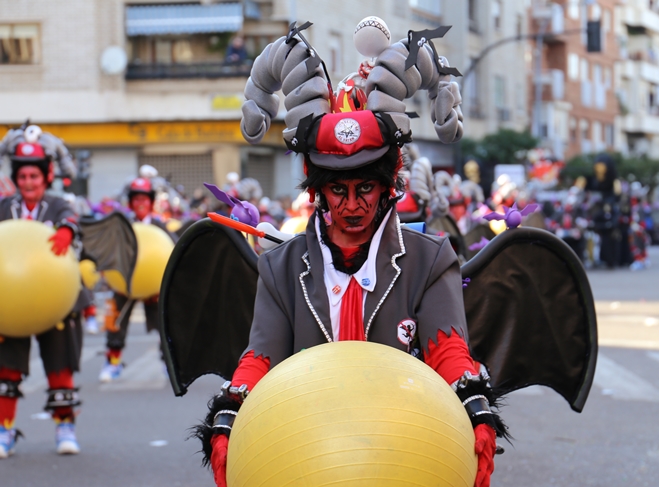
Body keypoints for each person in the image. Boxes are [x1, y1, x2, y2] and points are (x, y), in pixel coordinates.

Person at [192, 19, 505, 487]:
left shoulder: (430, 259)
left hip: (406, 448)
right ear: (318, 190)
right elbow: (261, 357)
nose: (352, 205)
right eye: (337, 188)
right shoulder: (280, 266)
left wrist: (475, 408)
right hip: (307, 450)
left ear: (387, 186)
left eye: (365, 187)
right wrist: (228, 414)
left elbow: (448, 350)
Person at [0, 128, 83, 457]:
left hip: (56, 301)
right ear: (16, 178)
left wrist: (66, 230)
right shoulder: (5, 207)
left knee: (59, 368)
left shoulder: (59, 204)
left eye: (35, 175)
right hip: (11, 303)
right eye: (23, 176)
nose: (29, 182)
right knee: (6, 369)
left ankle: (66, 426)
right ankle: (4, 430)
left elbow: (72, 220)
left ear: (46, 176)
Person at [98, 174, 173, 382]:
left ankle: (169, 364)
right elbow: (108, 252)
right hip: (124, 284)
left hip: (154, 287)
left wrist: (163, 284)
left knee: (167, 326)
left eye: (144, 199)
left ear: (151, 201)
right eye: (136, 199)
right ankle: (112, 363)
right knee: (115, 323)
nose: (140, 203)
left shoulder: (160, 226)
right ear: (131, 202)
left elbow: (173, 251)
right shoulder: (122, 225)